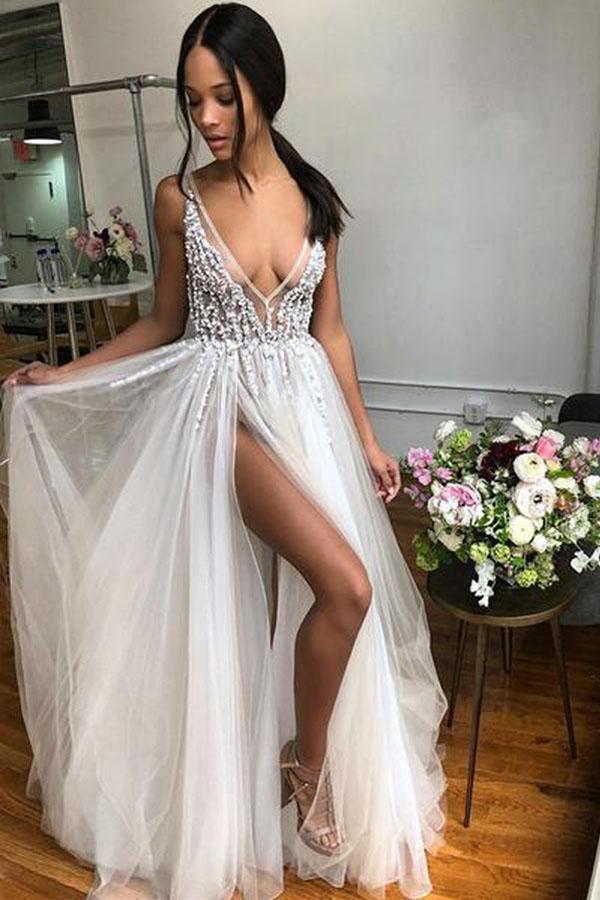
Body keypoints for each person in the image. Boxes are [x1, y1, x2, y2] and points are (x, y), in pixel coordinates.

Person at [0, 4, 448, 899]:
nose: (205, 117)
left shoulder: (316, 199)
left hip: (306, 412)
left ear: (263, 89)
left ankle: (276, 755)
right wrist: (66, 372)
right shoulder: (181, 198)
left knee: (291, 602)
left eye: (223, 97)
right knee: (348, 585)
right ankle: (306, 766)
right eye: (192, 98)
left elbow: (330, 331)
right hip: (220, 414)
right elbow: (164, 322)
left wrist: (365, 437)